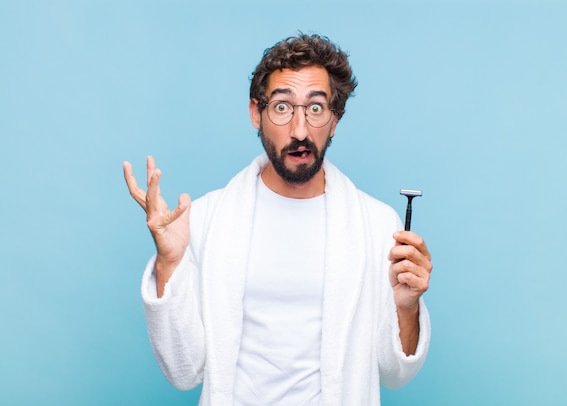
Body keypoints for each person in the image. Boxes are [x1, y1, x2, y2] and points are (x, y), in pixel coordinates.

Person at [123, 33, 433, 405]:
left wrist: (407, 305)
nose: (300, 130)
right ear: (256, 112)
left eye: (316, 109)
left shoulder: (376, 225)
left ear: (335, 120)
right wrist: (168, 265)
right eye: (282, 108)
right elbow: (183, 371)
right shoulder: (206, 220)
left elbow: (396, 375)